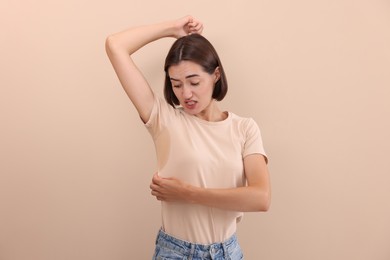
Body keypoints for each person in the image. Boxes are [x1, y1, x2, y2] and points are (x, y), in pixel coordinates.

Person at [105, 15, 271, 260]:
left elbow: (261, 197)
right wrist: (172, 29)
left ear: (215, 75)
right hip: (176, 253)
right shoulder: (164, 119)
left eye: (194, 82)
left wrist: (188, 193)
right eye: (176, 84)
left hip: (228, 252)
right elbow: (115, 45)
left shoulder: (244, 128)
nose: (186, 94)